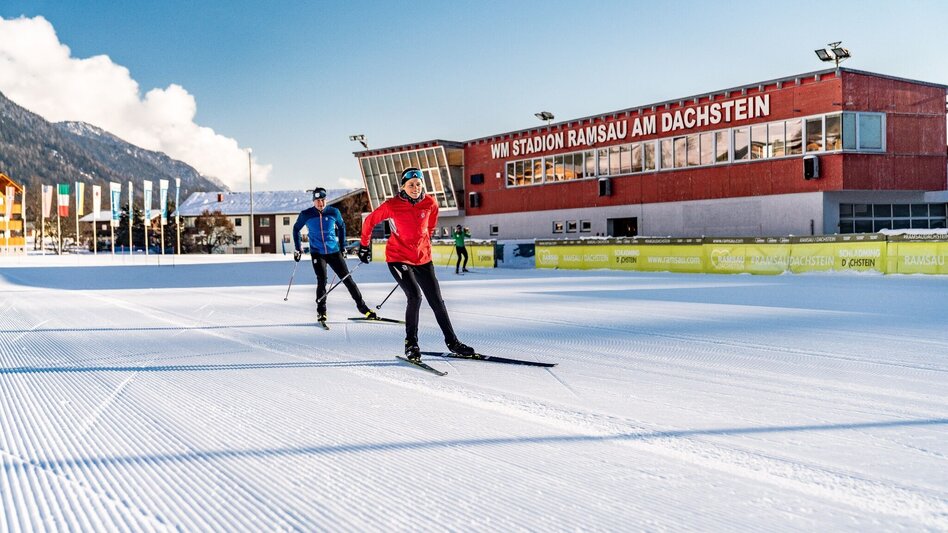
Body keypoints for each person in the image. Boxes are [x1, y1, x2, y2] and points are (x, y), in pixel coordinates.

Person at [358, 168, 475, 362]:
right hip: (398, 257)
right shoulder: (392, 205)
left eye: (418, 184)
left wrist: (423, 241)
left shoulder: (430, 203)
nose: (415, 188)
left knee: (437, 300)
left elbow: (430, 225)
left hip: (422, 258)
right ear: (403, 186)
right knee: (415, 296)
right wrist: (364, 246)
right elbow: (369, 221)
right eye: (411, 184)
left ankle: (452, 342)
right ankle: (411, 343)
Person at [293, 187, 376, 323]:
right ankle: (321, 312)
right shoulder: (306, 214)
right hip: (317, 253)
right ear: (313, 201)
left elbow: (342, 226)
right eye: (318, 200)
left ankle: (363, 308)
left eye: (323, 200)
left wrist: (343, 247)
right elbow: (296, 229)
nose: (321, 203)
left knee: (348, 280)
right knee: (322, 280)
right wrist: (298, 248)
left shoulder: (333, 212)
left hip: (334, 251)